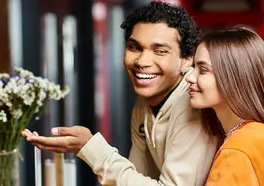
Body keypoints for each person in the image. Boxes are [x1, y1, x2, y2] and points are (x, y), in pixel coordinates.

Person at [22, 2, 220, 186]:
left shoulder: (194, 106)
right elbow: (136, 177)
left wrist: (92, 148)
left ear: (186, 60)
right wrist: (87, 147)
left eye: (159, 51)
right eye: (135, 47)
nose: (142, 61)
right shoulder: (144, 104)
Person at [185, 26, 264, 186]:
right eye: (193, 67)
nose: (190, 77)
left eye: (203, 70)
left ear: (234, 77)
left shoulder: (238, 150)